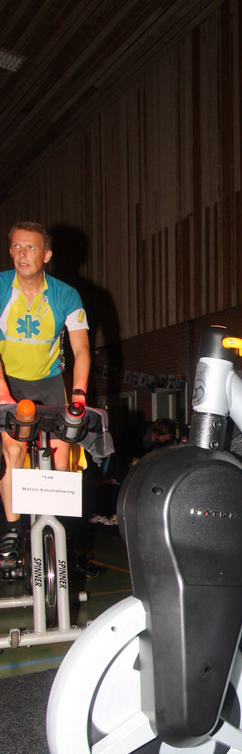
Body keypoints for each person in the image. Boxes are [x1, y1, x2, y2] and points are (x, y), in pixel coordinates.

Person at [0, 222, 91, 569]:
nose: (22, 254)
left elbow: (81, 350)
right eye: (16, 247)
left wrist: (78, 395)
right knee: (13, 449)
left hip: (50, 381)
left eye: (31, 248)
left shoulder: (66, 294)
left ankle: (54, 527)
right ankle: (12, 531)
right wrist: (3, 393)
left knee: (61, 457)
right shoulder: (0, 288)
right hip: (9, 380)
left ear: (47, 255)